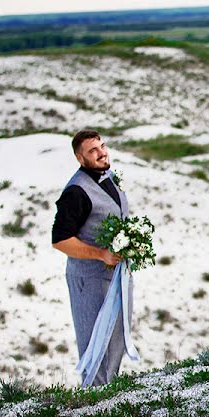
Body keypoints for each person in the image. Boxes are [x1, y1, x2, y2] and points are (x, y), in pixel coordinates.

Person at [51, 129, 133, 386]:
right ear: (80, 158)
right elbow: (60, 240)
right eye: (93, 151)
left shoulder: (108, 177)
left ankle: (110, 394)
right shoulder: (76, 191)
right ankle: (95, 403)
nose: (101, 153)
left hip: (116, 276)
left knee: (115, 338)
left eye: (102, 146)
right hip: (89, 279)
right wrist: (100, 254)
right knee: (95, 342)